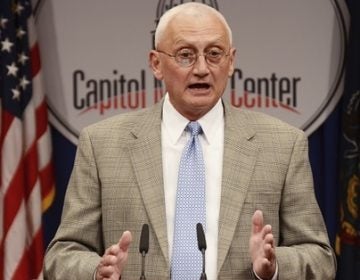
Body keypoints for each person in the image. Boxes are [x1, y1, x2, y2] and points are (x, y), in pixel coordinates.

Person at [44, 2, 336, 279]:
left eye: (214, 54)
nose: (201, 69)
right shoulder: (102, 145)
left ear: (231, 61)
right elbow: (63, 254)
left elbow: (319, 257)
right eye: (185, 54)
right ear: (156, 63)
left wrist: (274, 267)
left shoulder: (283, 145)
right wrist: (97, 271)